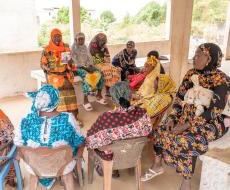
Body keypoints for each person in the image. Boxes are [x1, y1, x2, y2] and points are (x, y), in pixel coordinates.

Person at [141, 43, 230, 190]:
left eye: (198, 55)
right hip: (186, 116)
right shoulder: (190, 74)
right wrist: (172, 118)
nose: (194, 58)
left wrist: (187, 125)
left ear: (209, 58)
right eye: (194, 55)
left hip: (213, 121)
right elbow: (179, 98)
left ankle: (186, 182)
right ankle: (157, 165)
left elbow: (215, 111)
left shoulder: (222, 80)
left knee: (186, 139)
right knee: (161, 129)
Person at [14, 85, 85, 189]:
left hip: (34, 167)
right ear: (56, 102)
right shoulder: (68, 119)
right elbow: (80, 142)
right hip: (62, 166)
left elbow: (18, 145)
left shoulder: (24, 120)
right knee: (77, 147)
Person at [86, 81, 152, 177]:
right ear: (130, 96)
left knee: (96, 144)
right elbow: (149, 133)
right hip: (135, 153)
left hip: (113, 157)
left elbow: (90, 140)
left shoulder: (106, 118)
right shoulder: (142, 113)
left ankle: (111, 170)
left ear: (113, 99)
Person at [40, 28, 81, 124]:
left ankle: (74, 117)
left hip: (64, 74)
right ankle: (60, 117)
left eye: (59, 36)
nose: (58, 38)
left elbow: (67, 62)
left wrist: (71, 63)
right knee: (59, 90)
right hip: (53, 75)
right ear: (51, 37)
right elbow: (42, 63)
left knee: (69, 89)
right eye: (55, 36)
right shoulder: (47, 49)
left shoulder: (65, 47)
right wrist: (46, 68)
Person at [71, 32, 106, 111]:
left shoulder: (85, 47)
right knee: (87, 76)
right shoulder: (73, 48)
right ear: (75, 40)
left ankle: (99, 95)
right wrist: (86, 68)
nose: (81, 41)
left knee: (99, 73)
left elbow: (90, 58)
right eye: (79, 39)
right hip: (78, 68)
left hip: (87, 66)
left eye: (82, 39)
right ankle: (85, 101)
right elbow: (75, 62)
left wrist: (90, 66)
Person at [89, 33, 121, 97]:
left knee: (114, 69)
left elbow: (107, 57)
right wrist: (102, 62)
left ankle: (110, 89)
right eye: (102, 42)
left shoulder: (104, 46)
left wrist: (106, 62)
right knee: (105, 69)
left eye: (104, 42)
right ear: (98, 40)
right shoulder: (92, 46)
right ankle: (107, 90)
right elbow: (92, 58)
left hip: (104, 62)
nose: (103, 44)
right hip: (95, 63)